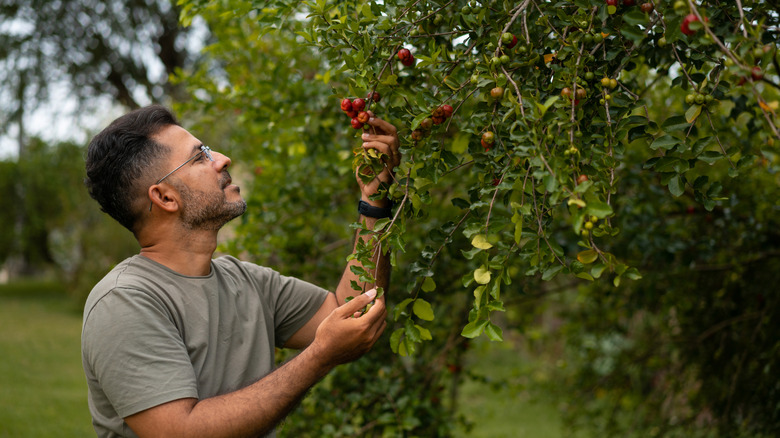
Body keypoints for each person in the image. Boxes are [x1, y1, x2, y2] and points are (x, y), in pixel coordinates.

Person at [81, 104, 400, 437]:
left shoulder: (247, 281)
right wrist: (319, 357)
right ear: (165, 196)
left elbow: (350, 312)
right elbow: (179, 431)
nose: (222, 159)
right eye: (200, 157)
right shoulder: (124, 302)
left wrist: (374, 202)